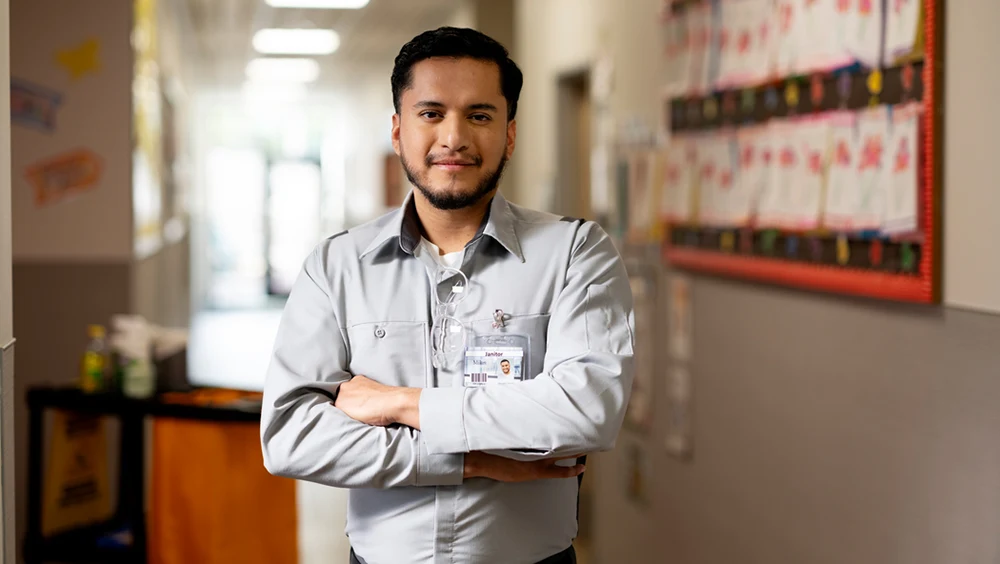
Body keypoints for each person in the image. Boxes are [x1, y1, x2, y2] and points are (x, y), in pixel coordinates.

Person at [260, 26, 635, 564]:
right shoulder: (337, 266)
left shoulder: (575, 252)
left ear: (509, 134)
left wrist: (400, 403)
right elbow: (290, 437)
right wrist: (467, 461)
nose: (454, 137)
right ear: (398, 131)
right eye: (431, 113)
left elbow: (586, 410)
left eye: (479, 115)